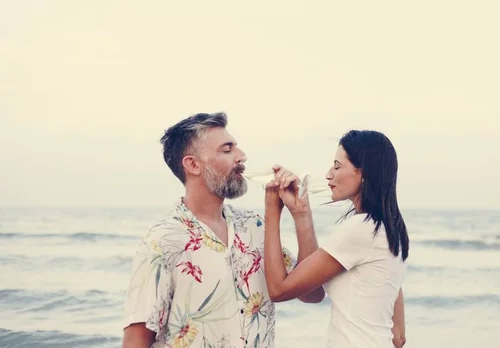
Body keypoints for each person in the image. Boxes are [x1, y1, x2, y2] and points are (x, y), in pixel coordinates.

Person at [122, 112, 324, 348]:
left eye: (236, 148)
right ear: (193, 165)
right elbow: (136, 341)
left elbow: (312, 294)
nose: (241, 156)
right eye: (227, 150)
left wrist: (301, 215)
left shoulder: (254, 227)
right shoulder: (163, 241)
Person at [263, 130, 409, 348]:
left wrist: (272, 210)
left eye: (337, 166)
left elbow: (278, 289)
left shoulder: (360, 229)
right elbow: (397, 336)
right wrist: (302, 215)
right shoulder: (391, 230)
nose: (329, 174)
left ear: (363, 172)